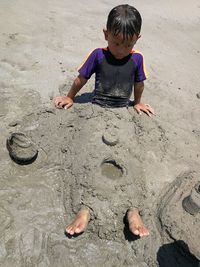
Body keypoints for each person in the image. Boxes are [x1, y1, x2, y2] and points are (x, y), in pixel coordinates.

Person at [55, 4, 151, 237]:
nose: (121, 50)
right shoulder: (98, 55)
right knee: (90, 153)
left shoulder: (137, 59)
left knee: (129, 155)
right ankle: (85, 208)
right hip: (97, 109)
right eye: (116, 43)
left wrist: (136, 103)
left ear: (137, 39)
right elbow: (81, 79)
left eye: (128, 45)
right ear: (106, 35)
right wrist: (69, 98)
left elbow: (139, 83)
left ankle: (132, 209)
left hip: (121, 112)